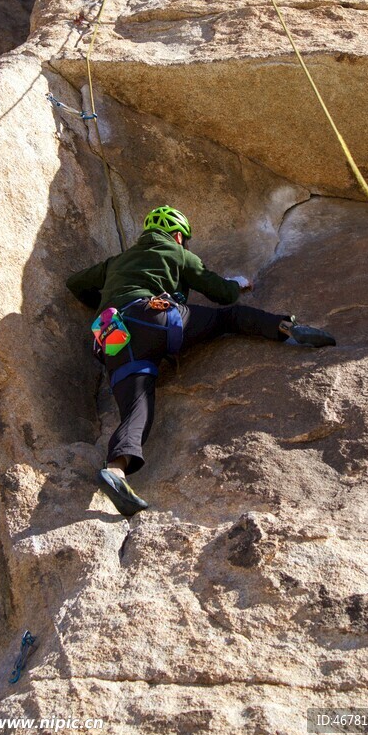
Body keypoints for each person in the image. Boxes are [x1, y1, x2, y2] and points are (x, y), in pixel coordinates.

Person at [66, 205, 335, 516]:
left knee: (137, 408)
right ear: (178, 236)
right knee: (229, 318)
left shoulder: (117, 261)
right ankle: (288, 328)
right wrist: (237, 284)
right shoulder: (179, 253)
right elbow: (223, 294)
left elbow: (75, 283)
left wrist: (101, 302)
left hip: (112, 337)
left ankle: (116, 470)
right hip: (154, 317)